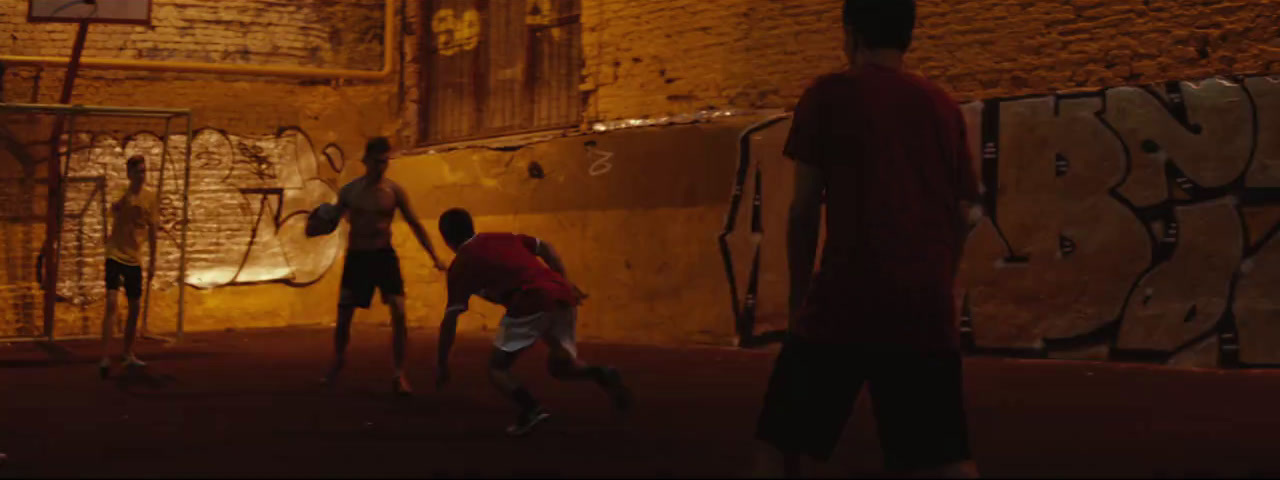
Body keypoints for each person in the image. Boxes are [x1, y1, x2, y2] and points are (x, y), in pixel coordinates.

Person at [751, 0, 983, 477]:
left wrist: (798, 306)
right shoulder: (944, 107)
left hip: (845, 300)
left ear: (851, 33)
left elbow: (803, 210)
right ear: (908, 35)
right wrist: (940, 281)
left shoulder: (829, 95)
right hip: (924, 306)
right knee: (944, 457)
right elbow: (965, 214)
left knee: (780, 446)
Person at [433, 208, 632, 436]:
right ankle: (602, 374)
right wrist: (566, 281)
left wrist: (442, 363)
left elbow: (450, 320)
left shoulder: (461, 265)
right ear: (471, 226)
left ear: (446, 238)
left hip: (529, 301)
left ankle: (532, 409)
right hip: (561, 295)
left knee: (497, 369)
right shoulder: (501, 237)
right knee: (560, 367)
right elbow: (545, 247)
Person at [321, 137, 447, 395]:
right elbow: (330, 221)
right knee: (344, 316)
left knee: (400, 313)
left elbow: (415, 224)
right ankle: (338, 361)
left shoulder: (394, 192)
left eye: (385, 161)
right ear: (366, 161)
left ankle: (399, 373)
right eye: (377, 161)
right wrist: (317, 224)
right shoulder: (349, 192)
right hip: (357, 258)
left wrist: (434, 255)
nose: (381, 166)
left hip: (384, 257)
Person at [99, 155, 157, 379]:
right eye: (137, 172)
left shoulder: (150, 198)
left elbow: (153, 232)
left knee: (134, 307)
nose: (141, 176)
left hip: (134, 259)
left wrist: (153, 261)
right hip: (115, 254)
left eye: (143, 171)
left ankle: (127, 353)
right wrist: (124, 201)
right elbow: (114, 208)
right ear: (129, 174)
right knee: (112, 303)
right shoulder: (121, 193)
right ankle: (105, 357)